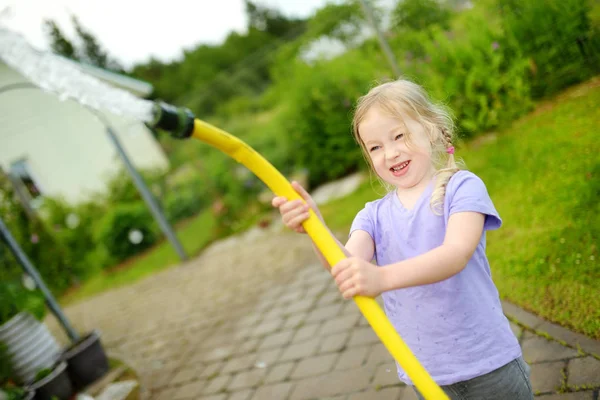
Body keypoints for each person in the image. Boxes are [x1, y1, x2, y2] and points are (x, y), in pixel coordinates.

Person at [272, 79, 533, 399]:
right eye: (376, 147)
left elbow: (455, 254)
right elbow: (345, 266)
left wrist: (381, 278)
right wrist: (315, 226)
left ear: (432, 129)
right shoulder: (372, 216)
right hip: (425, 374)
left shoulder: (461, 187)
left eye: (399, 135)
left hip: (488, 363)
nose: (391, 153)